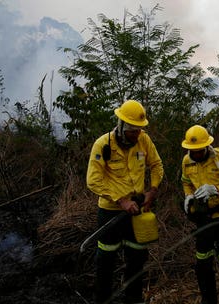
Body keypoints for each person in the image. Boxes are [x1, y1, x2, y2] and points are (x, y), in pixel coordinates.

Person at [86, 99, 164, 304]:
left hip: (136, 212)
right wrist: (121, 201)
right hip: (110, 214)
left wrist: (152, 190)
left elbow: (156, 165)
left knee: (137, 261)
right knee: (105, 262)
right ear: (121, 127)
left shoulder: (144, 140)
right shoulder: (103, 144)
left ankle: (133, 299)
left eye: (139, 130)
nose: (137, 135)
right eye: (133, 131)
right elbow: (93, 181)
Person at [180, 125, 219, 304]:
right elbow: (186, 183)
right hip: (203, 219)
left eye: (199, 150)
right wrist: (188, 195)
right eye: (193, 151)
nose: (196, 154)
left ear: (206, 146)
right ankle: (209, 299)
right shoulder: (186, 161)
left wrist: (215, 189)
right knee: (202, 263)